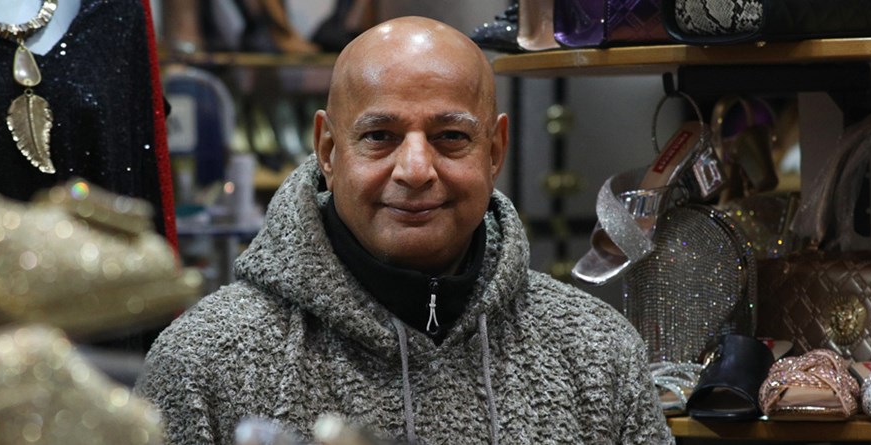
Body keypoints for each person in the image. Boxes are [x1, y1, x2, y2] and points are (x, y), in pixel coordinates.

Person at [138, 17, 673, 445]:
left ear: (494, 151)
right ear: (328, 149)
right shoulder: (204, 362)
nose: (416, 170)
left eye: (449, 136)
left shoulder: (596, 352)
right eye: (379, 135)